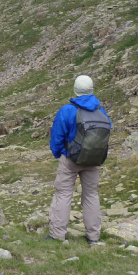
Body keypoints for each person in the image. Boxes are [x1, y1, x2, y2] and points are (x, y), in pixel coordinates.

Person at [47, 75, 112, 244]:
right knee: (91, 195)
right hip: (93, 159)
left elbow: (57, 136)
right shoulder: (101, 111)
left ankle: (57, 235)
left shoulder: (67, 110)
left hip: (71, 159)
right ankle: (93, 237)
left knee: (63, 194)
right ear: (91, 90)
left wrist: (60, 153)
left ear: (75, 90)